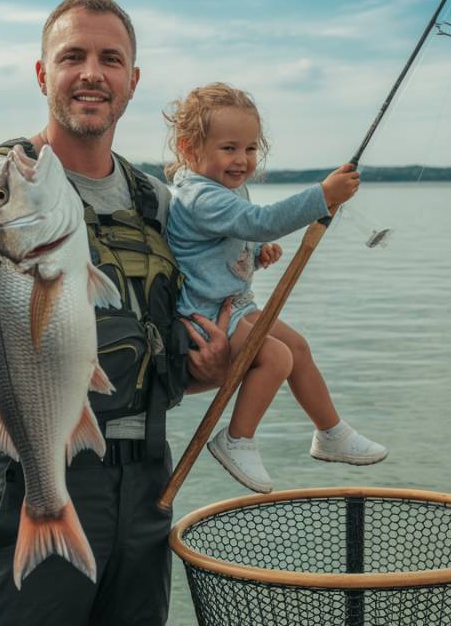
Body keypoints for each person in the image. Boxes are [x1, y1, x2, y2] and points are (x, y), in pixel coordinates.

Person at [0, 0, 231, 626]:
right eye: (72, 57)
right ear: (42, 74)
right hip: (36, 467)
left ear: (133, 81)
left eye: (111, 59)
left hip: (149, 481)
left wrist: (212, 366)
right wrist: (26, 288)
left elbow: (160, 357)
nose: (92, 73)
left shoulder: (158, 204)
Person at [163, 82, 388, 495]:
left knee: (297, 347)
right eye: (229, 148)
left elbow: (234, 235)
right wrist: (322, 196)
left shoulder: (227, 188)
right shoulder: (199, 195)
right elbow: (259, 221)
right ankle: (237, 439)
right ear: (189, 148)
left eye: (250, 148)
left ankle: (331, 432)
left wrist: (256, 251)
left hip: (233, 303)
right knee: (276, 356)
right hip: (205, 317)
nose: (242, 159)